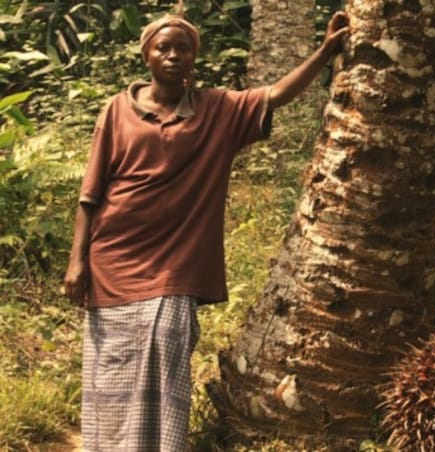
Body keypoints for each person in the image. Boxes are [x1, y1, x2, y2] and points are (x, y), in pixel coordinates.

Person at [62, 11, 349, 451]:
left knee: (168, 343)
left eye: (183, 48)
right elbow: (91, 193)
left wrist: (326, 52)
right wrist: (77, 260)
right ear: (147, 55)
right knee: (112, 367)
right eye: (164, 47)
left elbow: (275, 95)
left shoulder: (217, 109)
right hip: (114, 257)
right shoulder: (117, 110)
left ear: (195, 56)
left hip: (176, 262)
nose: (174, 55)